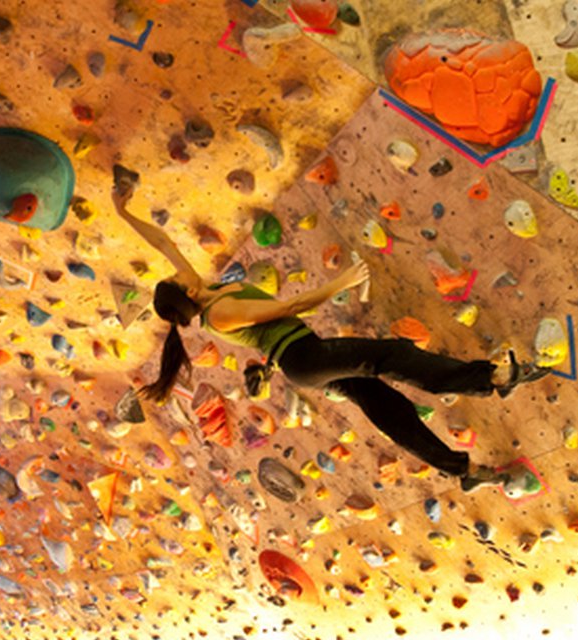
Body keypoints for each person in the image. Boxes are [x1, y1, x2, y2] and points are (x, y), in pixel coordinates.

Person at [111, 167, 548, 490]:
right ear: (183, 293)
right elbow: (294, 304)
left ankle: (463, 471)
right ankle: (493, 378)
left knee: (387, 407)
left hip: (306, 356)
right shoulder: (219, 316)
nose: (180, 270)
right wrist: (344, 281)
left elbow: (164, 243)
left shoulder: (204, 292)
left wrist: (123, 210)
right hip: (305, 360)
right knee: (388, 358)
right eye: (177, 277)